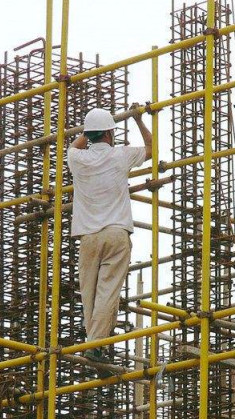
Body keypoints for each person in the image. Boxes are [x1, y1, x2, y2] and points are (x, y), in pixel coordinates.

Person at [67, 106, 152, 366]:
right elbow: (151, 148)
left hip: (88, 237)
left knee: (89, 295)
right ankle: (95, 345)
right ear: (109, 134)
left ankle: (95, 342)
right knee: (107, 293)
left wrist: (90, 129)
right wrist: (137, 119)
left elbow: (75, 143)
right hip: (115, 233)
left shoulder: (76, 158)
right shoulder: (120, 155)